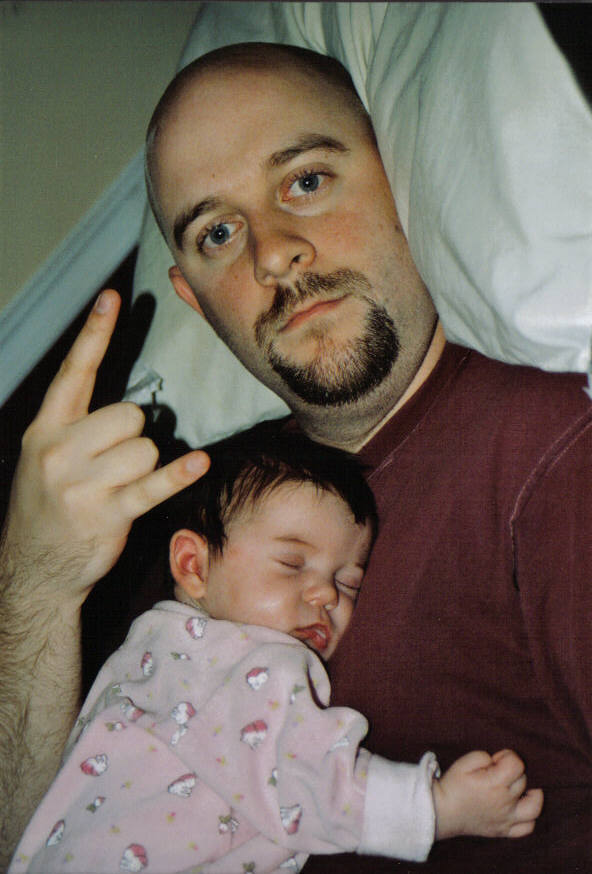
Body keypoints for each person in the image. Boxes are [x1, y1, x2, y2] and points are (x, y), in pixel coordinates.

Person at [1, 41, 590, 872]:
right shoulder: (193, 504)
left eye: (306, 181)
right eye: (218, 232)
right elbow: (40, 837)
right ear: (195, 300)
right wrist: (37, 582)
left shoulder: (552, 450)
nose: (272, 252)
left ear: (399, 180)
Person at [9, 430, 542, 873]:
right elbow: (300, 772)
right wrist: (435, 808)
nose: (326, 594)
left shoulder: (153, 651)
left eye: (349, 583)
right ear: (194, 566)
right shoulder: (246, 660)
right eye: (291, 564)